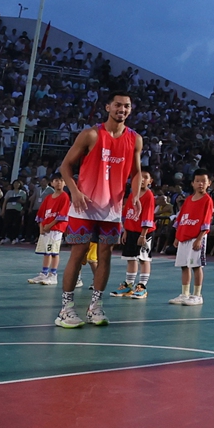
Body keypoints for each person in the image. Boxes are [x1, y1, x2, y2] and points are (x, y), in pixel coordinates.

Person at [55, 91, 143, 328]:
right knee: (78, 254)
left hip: (111, 211)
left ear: (130, 110)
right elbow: (66, 165)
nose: (121, 109)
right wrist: (73, 190)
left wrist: (135, 194)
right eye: (117, 105)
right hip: (84, 207)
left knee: (105, 256)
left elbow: (136, 173)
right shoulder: (91, 134)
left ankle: (95, 306)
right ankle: (66, 308)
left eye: (126, 106)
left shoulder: (135, 139)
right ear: (107, 107)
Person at [170, 170, 213, 305]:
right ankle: (185, 293)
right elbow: (181, 219)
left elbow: (206, 222)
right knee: (184, 266)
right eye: (198, 181)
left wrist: (200, 238)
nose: (200, 184)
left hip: (196, 238)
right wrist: (178, 236)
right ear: (193, 183)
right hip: (184, 237)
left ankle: (197, 295)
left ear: (209, 183)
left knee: (196, 266)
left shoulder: (207, 200)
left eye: (203, 181)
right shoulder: (188, 200)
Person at [112, 171, 156, 299]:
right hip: (131, 231)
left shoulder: (149, 196)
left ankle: (142, 286)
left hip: (143, 232)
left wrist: (143, 235)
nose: (142, 180)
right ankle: (129, 286)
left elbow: (148, 216)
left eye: (145, 178)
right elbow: (127, 214)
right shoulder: (132, 194)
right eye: (139, 177)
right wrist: (125, 231)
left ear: (150, 181)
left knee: (144, 258)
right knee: (130, 258)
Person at [28, 174, 70, 286]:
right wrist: (42, 227)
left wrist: (50, 225)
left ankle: (53, 275)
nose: (59, 183)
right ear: (52, 183)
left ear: (65, 183)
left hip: (56, 229)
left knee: (54, 252)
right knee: (46, 252)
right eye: (56, 180)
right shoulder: (48, 198)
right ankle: (44, 273)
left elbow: (63, 214)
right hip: (46, 229)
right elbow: (41, 214)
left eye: (61, 180)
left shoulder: (64, 196)